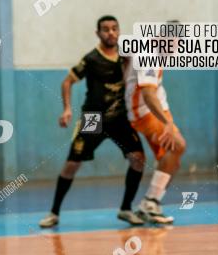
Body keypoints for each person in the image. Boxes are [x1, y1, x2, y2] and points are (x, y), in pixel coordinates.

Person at [39, 15, 146, 228]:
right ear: (98, 33)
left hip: (118, 118)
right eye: (105, 29)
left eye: (115, 28)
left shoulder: (127, 57)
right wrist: (67, 109)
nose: (111, 33)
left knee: (138, 159)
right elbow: (67, 82)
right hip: (93, 119)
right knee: (72, 164)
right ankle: (54, 213)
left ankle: (126, 209)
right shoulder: (91, 59)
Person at [124, 21, 187, 224]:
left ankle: (150, 205)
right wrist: (166, 122)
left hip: (155, 110)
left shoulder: (149, 48)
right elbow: (149, 95)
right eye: (174, 42)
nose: (175, 48)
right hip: (144, 113)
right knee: (177, 145)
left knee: (171, 157)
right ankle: (150, 202)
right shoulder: (148, 53)